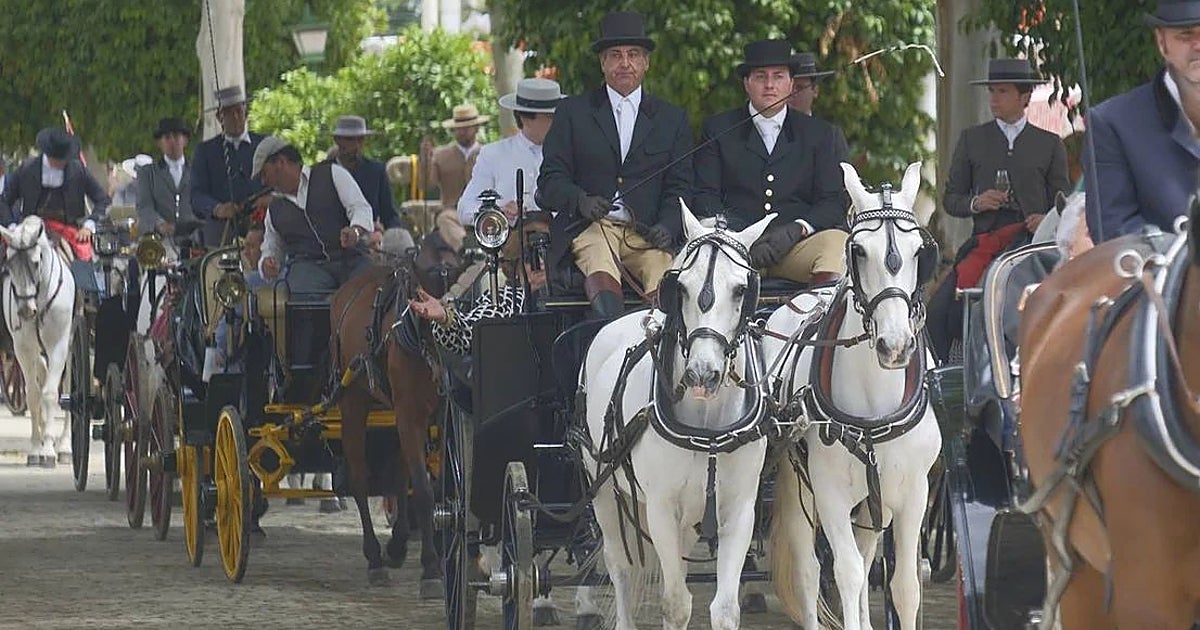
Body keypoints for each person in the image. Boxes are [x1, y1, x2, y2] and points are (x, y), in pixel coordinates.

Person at [537, 10, 692, 317]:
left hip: (644, 233)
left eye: (634, 55)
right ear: (602, 63)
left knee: (663, 268)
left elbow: (681, 186)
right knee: (598, 256)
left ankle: (661, 344)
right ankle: (608, 331)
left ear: (646, 62)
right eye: (615, 55)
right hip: (592, 228)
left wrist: (668, 224)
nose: (625, 63)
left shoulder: (672, 119)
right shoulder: (572, 112)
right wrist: (580, 200)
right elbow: (550, 180)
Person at [929, 58, 1070, 363]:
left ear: (1024, 97)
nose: (994, 99)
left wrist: (1045, 219)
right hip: (984, 243)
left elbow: (1065, 202)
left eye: (1002, 92)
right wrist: (976, 203)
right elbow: (951, 199)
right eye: (992, 91)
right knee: (937, 312)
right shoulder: (972, 140)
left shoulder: (1049, 144)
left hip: (1032, 246)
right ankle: (945, 381)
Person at [694, 40, 849, 285]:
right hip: (735, 253)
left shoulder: (819, 134)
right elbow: (705, 196)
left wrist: (797, 229)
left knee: (837, 244)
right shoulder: (719, 130)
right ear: (746, 83)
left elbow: (833, 200)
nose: (769, 85)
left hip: (795, 249)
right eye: (760, 77)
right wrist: (744, 237)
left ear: (790, 83)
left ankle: (818, 320)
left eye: (778, 76)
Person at [1085, 0, 1200, 241]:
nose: (1198, 45)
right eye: (1185, 35)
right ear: (1161, 42)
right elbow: (1113, 230)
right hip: (1166, 274)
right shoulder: (1112, 123)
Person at [253, 136, 374, 295]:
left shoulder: (332, 173)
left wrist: (355, 231)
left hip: (352, 260)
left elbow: (360, 208)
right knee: (302, 298)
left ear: (280, 162)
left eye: (264, 173)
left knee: (369, 295)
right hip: (309, 269)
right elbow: (272, 246)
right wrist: (267, 264)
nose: (263, 181)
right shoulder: (274, 210)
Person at [458, 78, 564, 227]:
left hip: (562, 241)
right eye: (550, 117)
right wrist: (498, 213)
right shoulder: (493, 154)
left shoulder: (570, 154)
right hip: (510, 242)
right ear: (526, 118)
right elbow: (465, 208)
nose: (558, 122)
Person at [0, 127, 110, 261]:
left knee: (85, 266)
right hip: (30, 229)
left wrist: (89, 226)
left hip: (67, 229)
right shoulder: (27, 169)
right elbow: (4, 200)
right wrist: (12, 227)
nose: (61, 162)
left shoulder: (78, 170)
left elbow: (102, 199)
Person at [190, 85, 266, 247]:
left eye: (239, 111)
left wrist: (268, 200)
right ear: (219, 117)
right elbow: (196, 195)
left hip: (261, 221)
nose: (236, 117)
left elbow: (280, 184)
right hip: (222, 225)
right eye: (229, 113)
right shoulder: (205, 151)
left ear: (246, 113)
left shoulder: (264, 145)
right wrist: (217, 208)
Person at [324, 115, 401, 240]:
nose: (356, 145)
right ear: (337, 140)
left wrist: (390, 234)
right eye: (350, 139)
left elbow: (390, 215)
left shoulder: (376, 171)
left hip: (370, 241)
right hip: (331, 242)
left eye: (360, 140)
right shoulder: (322, 173)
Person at [429, 104, 488, 251]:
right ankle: (466, 248)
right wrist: (426, 161)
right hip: (454, 212)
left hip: (483, 210)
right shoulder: (440, 155)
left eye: (467, 128)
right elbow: (427, 186)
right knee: (444, 219)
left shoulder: (489, 153)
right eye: (459, 128)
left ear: (476, 128)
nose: (462, 132)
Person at [137, 117, 197, 242]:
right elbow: (144, 206)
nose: (172, 141)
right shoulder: (147, 173)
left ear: (185, 140)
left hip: (193, 239)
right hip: (160, 240)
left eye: (176, 136)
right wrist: (159, 224)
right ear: (159, 143)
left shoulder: (198, 170)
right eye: (167, 137)